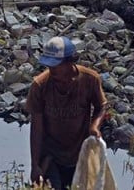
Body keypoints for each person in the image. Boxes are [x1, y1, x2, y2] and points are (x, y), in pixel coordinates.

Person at [26, 36, 108, 189]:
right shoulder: (40, 85)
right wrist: (35, 164)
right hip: (51, 156)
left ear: (69, 62)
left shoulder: (90, 80)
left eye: (56, 66)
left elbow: (101, 106)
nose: (52, 70)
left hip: (79, 154)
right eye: (49, 66)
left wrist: (95, 126)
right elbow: (36, 128)